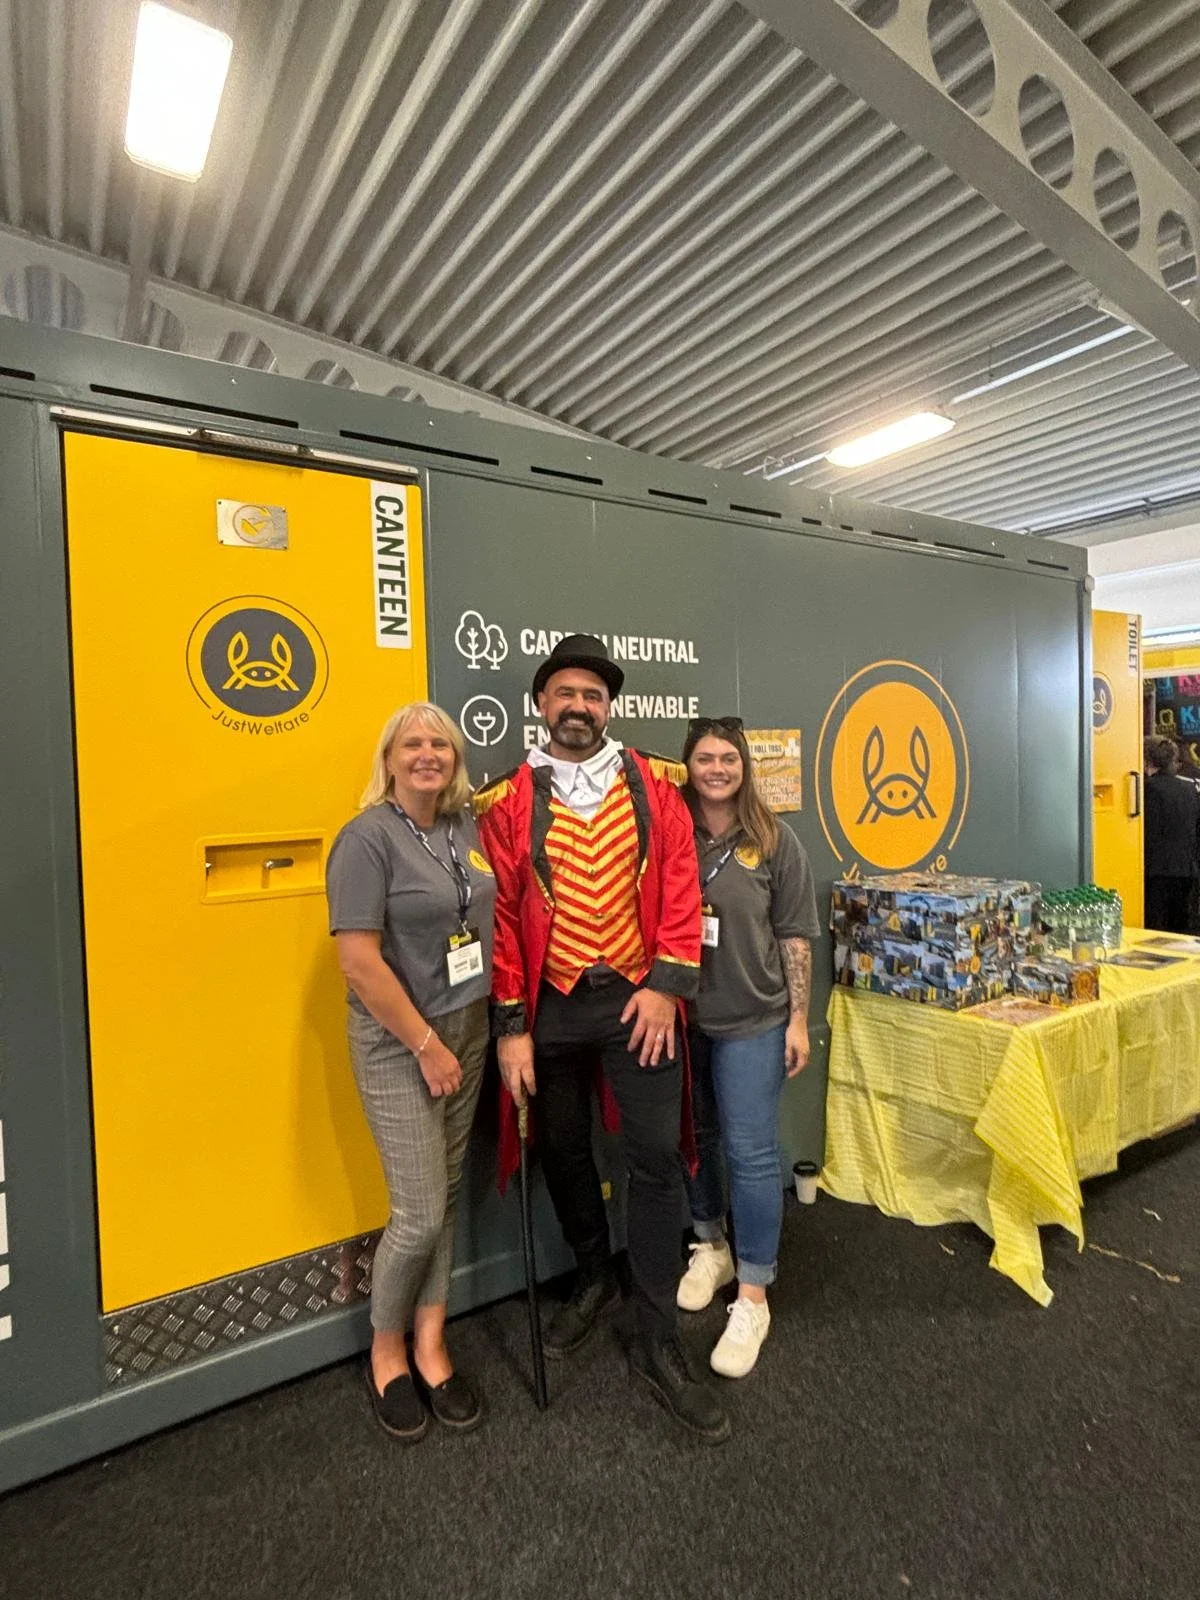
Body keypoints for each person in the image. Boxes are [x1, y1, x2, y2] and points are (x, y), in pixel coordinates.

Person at [474, 634, 730, 1444]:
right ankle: (591, 1272)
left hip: (635, 1000)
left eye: (592, 695)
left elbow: (681, 884)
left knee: (653, 1159)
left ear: (608, 707)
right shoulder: (507, 800)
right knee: (565, 1146)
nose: (577, 706)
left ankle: (656, 1330)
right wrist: (511, 1026)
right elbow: (508, 919)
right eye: (563, 694)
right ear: (541, 707)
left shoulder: (658, 783)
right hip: (549, 1010)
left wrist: (664, 985)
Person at [326, 702, 496, 1443]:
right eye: (413, 744)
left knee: (449, 1193)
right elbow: (357, 961)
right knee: (420, 1210)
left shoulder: (464, 828)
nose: (428, 754)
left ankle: (432, 1341)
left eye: (441, 744)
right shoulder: (365, 840)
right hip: (402, 1041)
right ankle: (386, 1347)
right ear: (389, 759)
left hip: (471, 1023)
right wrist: (427, 1045)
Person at [675, 716, 820, 1378]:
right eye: (704, 758)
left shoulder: (774, 839)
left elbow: (794, 935)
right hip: (681, 1018)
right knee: (695, 1139)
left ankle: (754, 1293)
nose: (716, 769)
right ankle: (711, 1245)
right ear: (689, 765)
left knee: (752, 1154)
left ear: (744, 767)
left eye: (728, 758)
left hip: (754, 1021)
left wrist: (797, 1020)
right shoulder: (670, 832)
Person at [1143, 735, 1200, 934]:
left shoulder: (1147, 790)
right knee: (1181, 928)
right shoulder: (1189, 788)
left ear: (1146, 760)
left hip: (1155, 870)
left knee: (1156, 930)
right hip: (1187, 869)